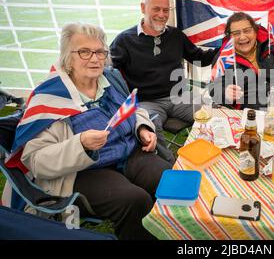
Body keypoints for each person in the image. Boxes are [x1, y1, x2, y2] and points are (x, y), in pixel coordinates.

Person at [17, 23, 172, 240]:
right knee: (134, 199)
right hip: (84, 171)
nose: (95, 58)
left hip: (128, 153)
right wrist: (80, 144)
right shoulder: (49, 98)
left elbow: (133, 109)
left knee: (168, 180)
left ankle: (173, 232)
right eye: (84, 52)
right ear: (67, 58)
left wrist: (143, 127)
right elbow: (35, 162)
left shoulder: (111, 79)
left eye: (100, 51)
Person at [110, 0, 218, 157]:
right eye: (156, 9)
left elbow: (199, 57)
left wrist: (226, 47)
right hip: (147, 102)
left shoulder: (175, 35)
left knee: (213, 113)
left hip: (180, 96)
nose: (162, 14)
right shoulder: (124, 40)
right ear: (143, 7)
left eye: (166, 10)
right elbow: (110, 73)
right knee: (150, 126)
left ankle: (216, 153)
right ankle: (169, 165)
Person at [210, 12, 274, 113]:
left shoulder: (273, 43)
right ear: (230, 36)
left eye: (247, 31)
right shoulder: (224, 56)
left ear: (255, 31)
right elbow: (213, 87)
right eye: (236, 33)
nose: (242, 37)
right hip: (247, 115)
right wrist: (225, 94)